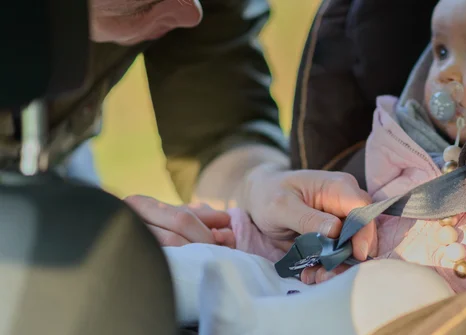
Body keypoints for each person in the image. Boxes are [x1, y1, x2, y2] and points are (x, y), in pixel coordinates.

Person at [157, 0, 466, 335]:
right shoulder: (396, 152)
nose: (446, 73)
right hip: (312, 285)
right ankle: (158, 279)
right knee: (227, 261)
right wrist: (239, 232)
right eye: (442, 51)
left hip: (416, 323)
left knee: (408, 286)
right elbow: (324, 232)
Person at [0, 0, 379, 279]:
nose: (193, 16)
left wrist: (256, 184)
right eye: (144, 5)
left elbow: (218, 128)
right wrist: (57, 232)